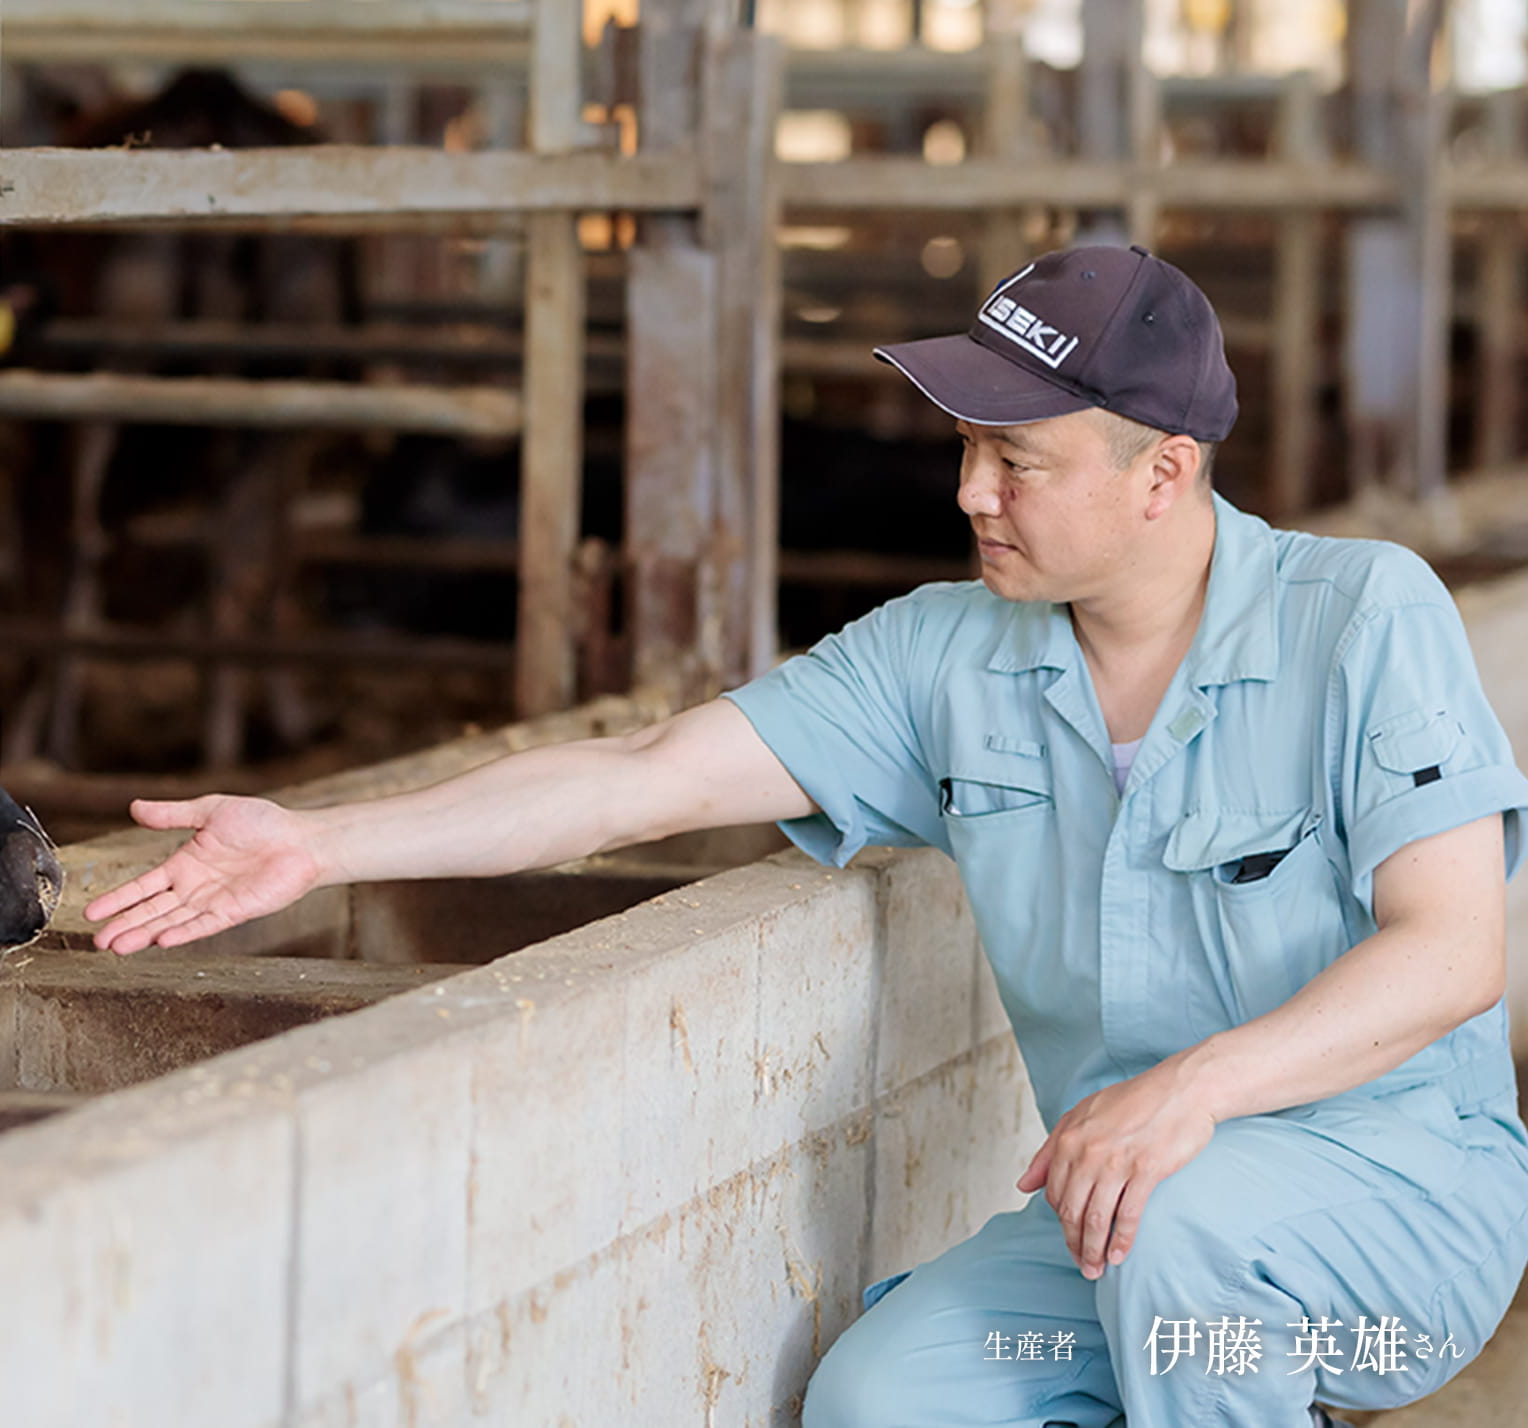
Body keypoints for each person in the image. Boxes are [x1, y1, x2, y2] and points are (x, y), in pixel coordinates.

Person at [83, 245, 1528, 1427]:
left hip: (1395, 1217)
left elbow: (1456, 948)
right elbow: (639, 776)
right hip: (1125, 1213)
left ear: (1164, 474)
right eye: (967, 449)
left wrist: (1195, 1092)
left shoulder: (1361, 616)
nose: (971, 493)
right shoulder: (945, 658)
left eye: (1017, 460)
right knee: (889, 1399)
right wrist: (324, 843)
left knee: (1193, 1224)